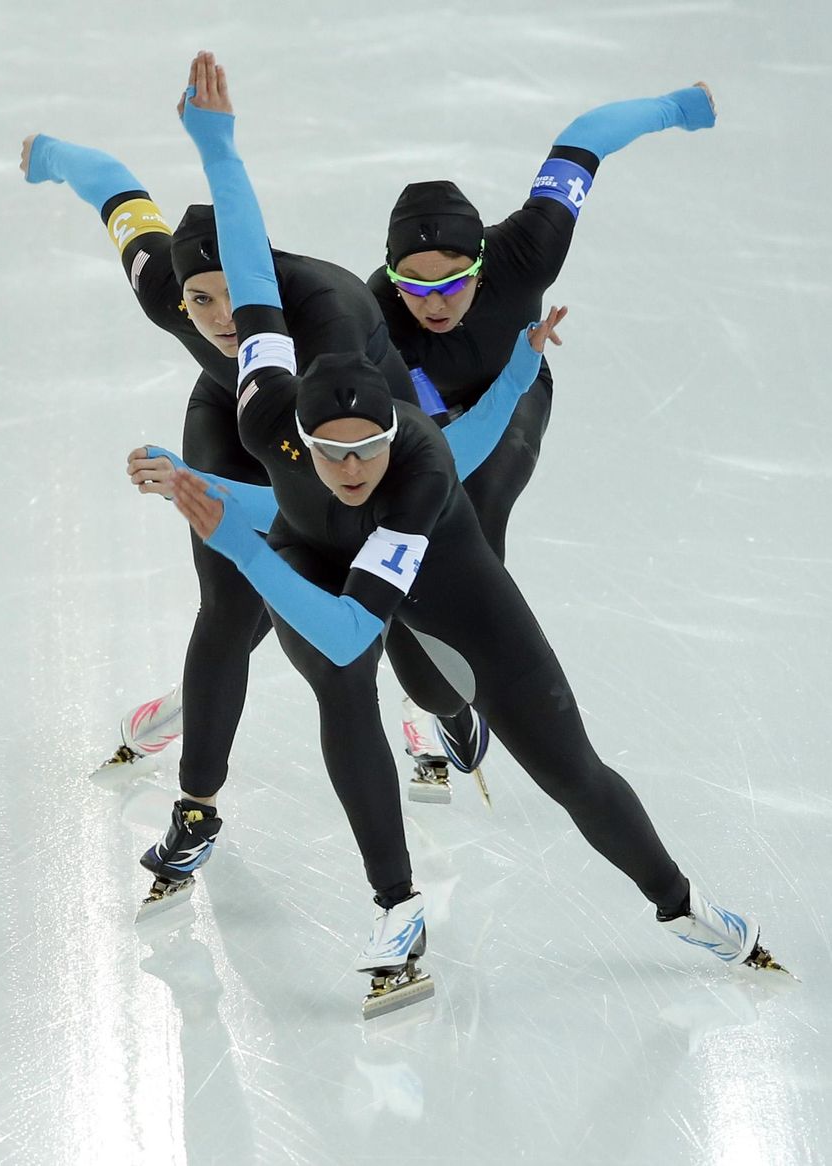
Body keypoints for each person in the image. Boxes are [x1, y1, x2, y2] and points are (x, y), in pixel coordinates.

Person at [156, 52, 783, 1014]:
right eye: (331, 454)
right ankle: (398, 905)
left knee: (566, 763)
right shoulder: (261, 409)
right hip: (314, 542)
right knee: (338, 691)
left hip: (443, 560)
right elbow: (248, 269)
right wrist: (218, 147)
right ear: (296, 434)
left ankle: (678, 901)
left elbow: (360, 613)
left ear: (394, 435)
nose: (352, 469)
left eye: (369, 450)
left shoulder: (415, 476)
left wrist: (238, 535)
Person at [19, 131, 420, 837]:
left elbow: (320, 497)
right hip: (231, 416)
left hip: (344, 443)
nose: (222, 318)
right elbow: (117, 188)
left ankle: (203, 701)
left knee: (315, 594)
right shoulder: (161, 285)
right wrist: (48, 155)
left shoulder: (329, 322)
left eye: (238, 296)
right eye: (201, 300)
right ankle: (197, 800)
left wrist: (200, 489)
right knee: (228, 610)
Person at [366, 80, 719, 794]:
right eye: (415, 288)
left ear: (481, 265)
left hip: (517, 386)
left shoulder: (526, 250)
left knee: (479, 510)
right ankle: (443, 699)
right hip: (427, 421)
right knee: (428, 529)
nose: (434, 306)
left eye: (453, 285)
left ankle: (476, 680)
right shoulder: (372, 319)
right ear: (392, 274)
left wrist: (677, 108)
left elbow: (584, 137)